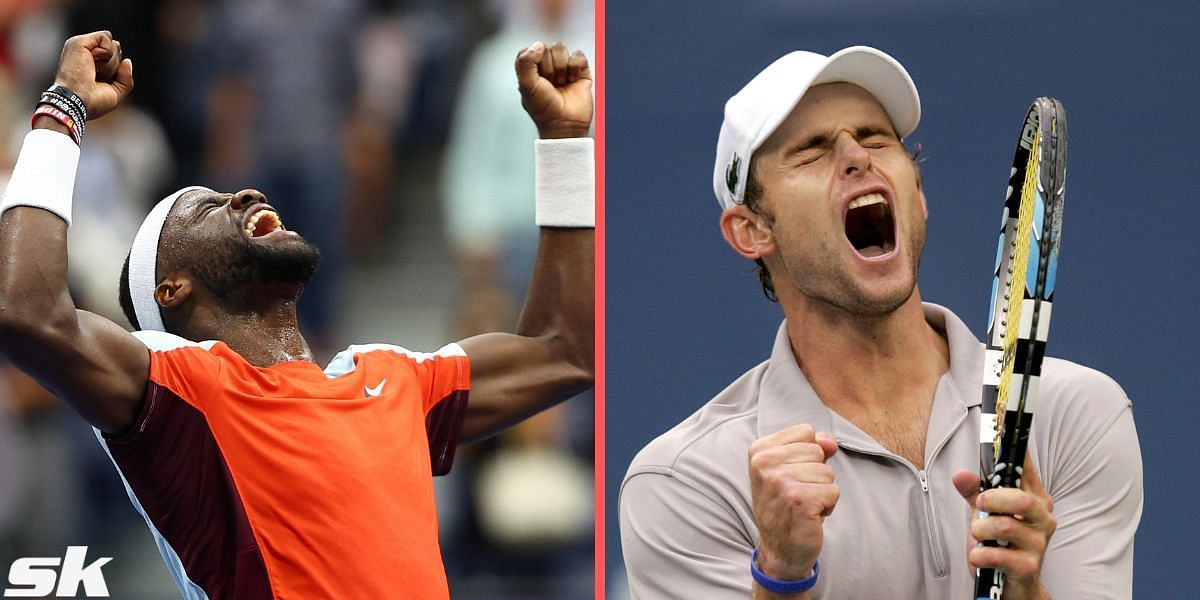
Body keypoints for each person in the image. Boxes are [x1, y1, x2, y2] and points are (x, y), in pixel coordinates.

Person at [0, 31, 594, 600]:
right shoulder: (180, 394)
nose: (242, 195)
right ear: (172, 288)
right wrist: (62, 109)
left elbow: (563, 349)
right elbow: (26, 310)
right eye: (202, 209)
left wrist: (565, 140)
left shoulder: (392, 379)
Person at [619, 47, 1141, 599]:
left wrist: (1025, 590)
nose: (855, 157)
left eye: (874, 138)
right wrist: (779, 576)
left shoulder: (1073, 414)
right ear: (751, 231)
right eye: (811, 152)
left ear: (916, 194)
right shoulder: (683, 482)